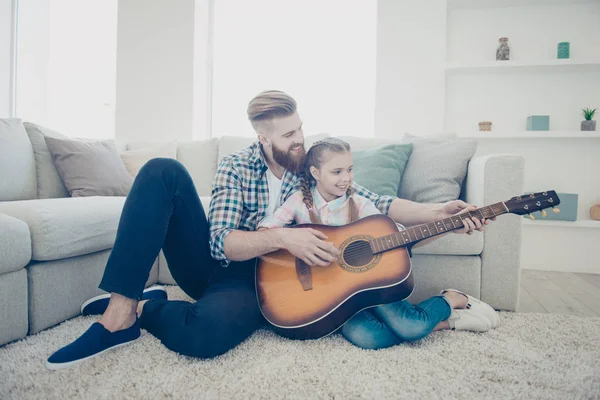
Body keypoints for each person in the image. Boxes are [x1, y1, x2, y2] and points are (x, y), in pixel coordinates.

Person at [46, 90, 492, 369]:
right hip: (218, 266)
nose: (299, 142)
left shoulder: (312, 166)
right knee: (162, 170)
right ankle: (119, 313)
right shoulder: (237, 167)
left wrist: (439, 212)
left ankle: (146, 309)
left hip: (271, 282)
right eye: (288, 137)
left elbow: (379, 203)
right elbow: (221, 244)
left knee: (203, 338)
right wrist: (284, 237)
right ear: (264, 139)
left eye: (300, 130)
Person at [257, 137, 499, 349]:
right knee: (370, 339)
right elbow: (268, 228)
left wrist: (451, 226)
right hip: (336, 296)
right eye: (337, 171)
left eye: (350, 170)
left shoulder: (361, 204)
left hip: (370, 286)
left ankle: (451, 298)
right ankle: (445, 322)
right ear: (315, 173)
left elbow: (400, 237)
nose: (346, 179)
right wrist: (289, 241)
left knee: (412, 328)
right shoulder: (299, 201)